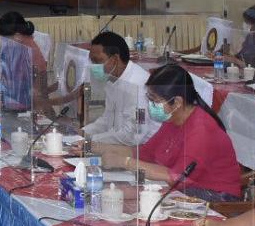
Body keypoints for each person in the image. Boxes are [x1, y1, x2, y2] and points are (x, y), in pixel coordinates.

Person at [104, 63, 243, 202]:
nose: (150, 105)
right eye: (149, 98)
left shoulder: (201, 129)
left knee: (130, 198)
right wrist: (98, 148)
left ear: (177, 102)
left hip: (215, 197)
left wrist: (125, 162)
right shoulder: (174, 119)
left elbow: (177, 177)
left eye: (154, 100)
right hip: (184, 187)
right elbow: (145, 153)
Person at [82, 31, 156, 146]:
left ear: (115, 59)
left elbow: (134, 135)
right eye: (92, 61)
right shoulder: (112, 79)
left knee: (86, 151)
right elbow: (107, 119)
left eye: (97, 61)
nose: (93, 66)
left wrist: (90, 140)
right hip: (121, 142)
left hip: (143, 148)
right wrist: (83, 132)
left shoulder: (138, 86)